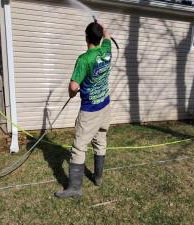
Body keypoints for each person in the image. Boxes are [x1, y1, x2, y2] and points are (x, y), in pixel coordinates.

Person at [54, 21, 112, 198]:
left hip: (90, 111)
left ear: (86, 38)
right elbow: (108, 37)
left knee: (79, 147)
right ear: (100, 36)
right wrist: (103, 29)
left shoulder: (84, 59)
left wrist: (72, 93)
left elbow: (73, 86)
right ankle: (98, 178)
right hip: (105, 105)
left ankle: (74, 188)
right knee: (100, 140)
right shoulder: (107, 50)